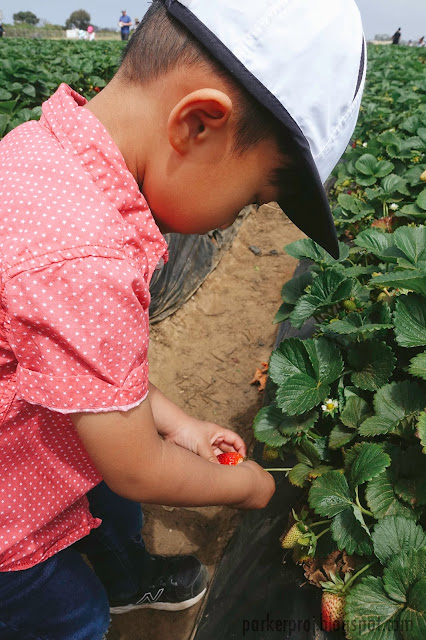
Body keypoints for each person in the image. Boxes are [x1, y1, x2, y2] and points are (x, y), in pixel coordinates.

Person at [0, 0, 366, 638]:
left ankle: (124, 571)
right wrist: (246, 488)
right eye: (254, 198)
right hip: (8, 520)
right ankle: (97, 598)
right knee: (71, 614)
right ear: (198, 125)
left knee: (107, 499)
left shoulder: (38, 154)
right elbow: (137, 466)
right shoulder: (89, 259)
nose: (237, 219)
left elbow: (88, 371)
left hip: (34, 422)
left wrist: (184, 425)